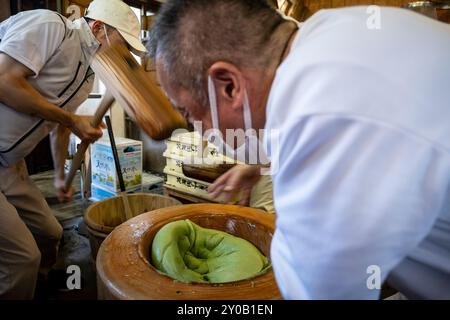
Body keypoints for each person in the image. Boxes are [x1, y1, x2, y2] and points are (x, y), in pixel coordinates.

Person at [147, 0, 450, 299]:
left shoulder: (321, 121)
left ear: (229, 87)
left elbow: (318, 292)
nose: (196, 128)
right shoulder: (330, 30)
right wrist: (262, 161)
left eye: (189, 113)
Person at [0, 0, 146, 299]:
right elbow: (5, 81)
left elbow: (62, 126)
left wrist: (59, 175)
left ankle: (36, 287)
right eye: (121, 45)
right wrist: (71, 119)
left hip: (10, 164)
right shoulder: (51, 27)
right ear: (97, 28)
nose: (123, 55)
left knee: (50, 234)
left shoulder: (88, 73)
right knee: (22, 258)